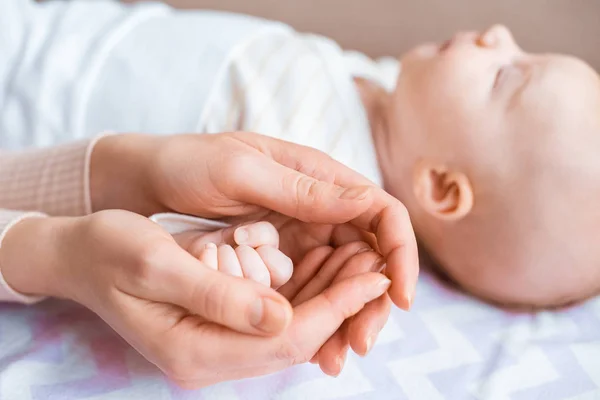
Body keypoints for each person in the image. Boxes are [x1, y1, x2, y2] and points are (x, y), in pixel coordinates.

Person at [0, 0, 420, 388]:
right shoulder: (384, 81)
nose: (488, 36)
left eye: (491, 80)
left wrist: (66, 249)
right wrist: (122, 177)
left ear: (443, 187)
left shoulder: (338, 148)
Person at [139, 17, 599, 308]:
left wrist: (226, 259)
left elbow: (170, 233)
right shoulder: (396, 99)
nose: (498, 34)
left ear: (440, 187)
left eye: (504, 74)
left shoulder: (318, 192)